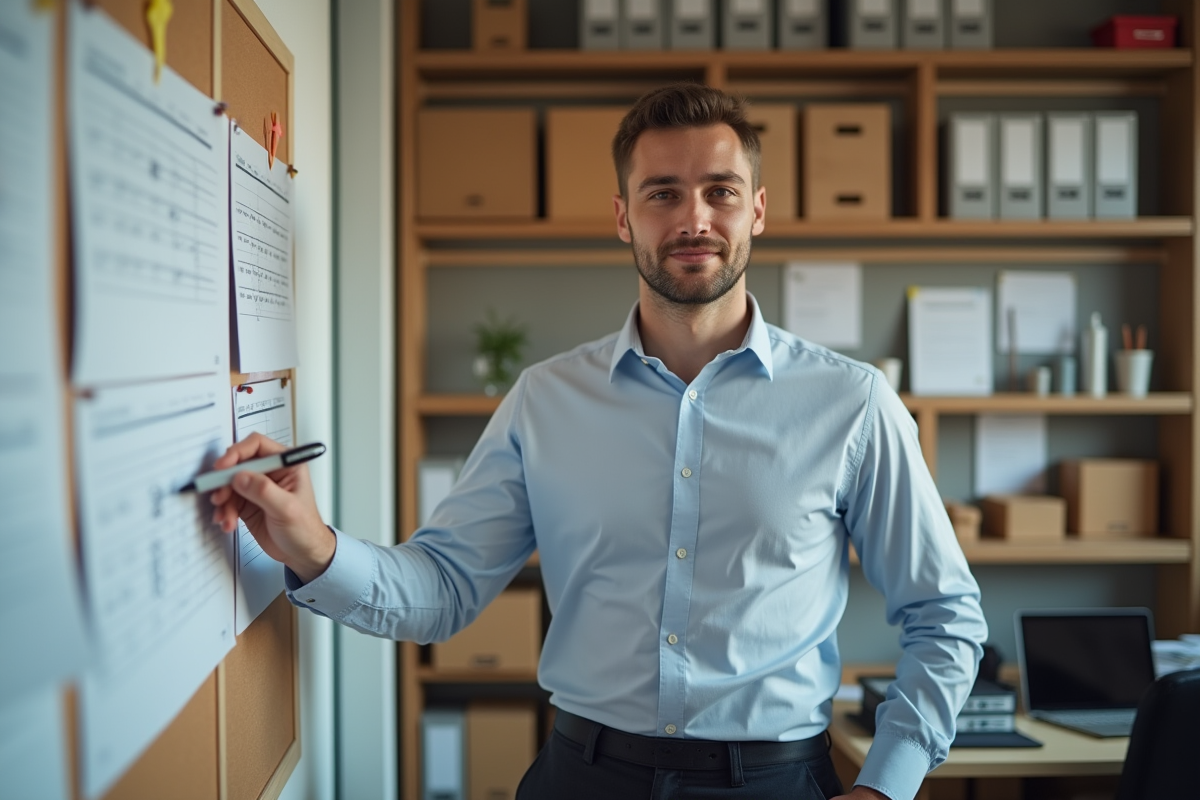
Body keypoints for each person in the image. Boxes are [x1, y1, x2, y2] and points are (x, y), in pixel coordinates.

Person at [209, 83, 987, 800]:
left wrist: (887, 786)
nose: (693, 219)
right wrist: (312, 547)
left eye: (721, 191)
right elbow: (443, 591)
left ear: (757, 211)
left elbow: (945, 613)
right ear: (623, 215)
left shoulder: (852, 404)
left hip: (774, 780)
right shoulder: (545, 401)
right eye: (662, 194)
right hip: (580, 776)